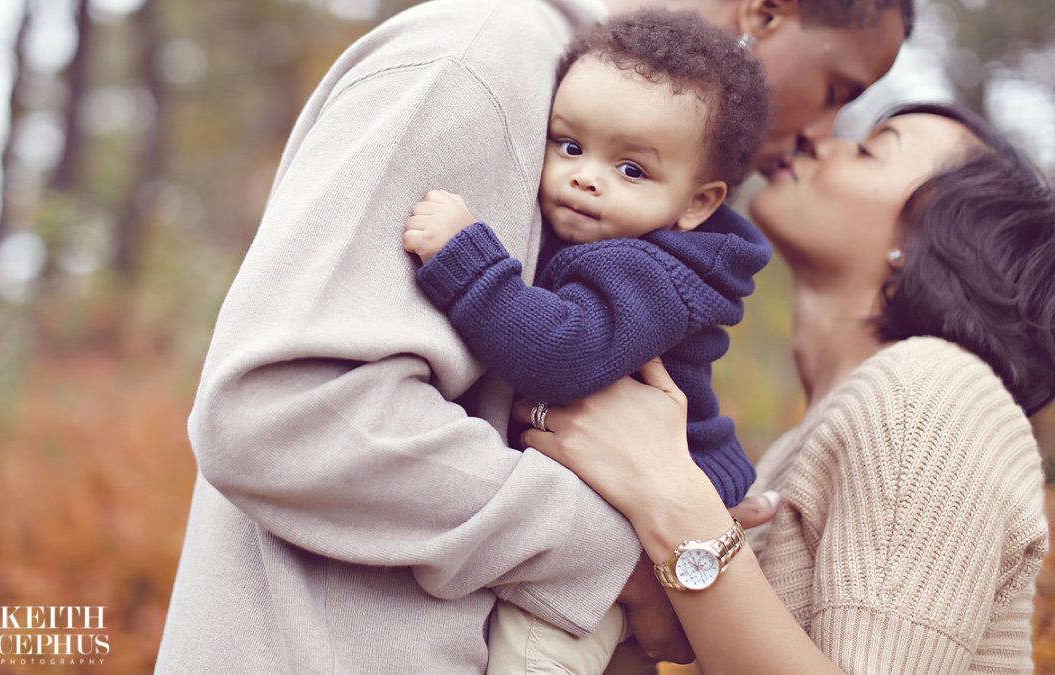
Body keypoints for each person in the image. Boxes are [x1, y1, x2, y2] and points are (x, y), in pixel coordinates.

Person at [156, 0, 915, 672]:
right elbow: (283, 414)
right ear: (767, 14)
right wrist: (625, 555)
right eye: (839, 91)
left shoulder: (619, 168)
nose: (820, 132)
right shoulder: (484, 58)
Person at [520, 101, 1054, 673]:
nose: (816, 140)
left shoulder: (929, 395)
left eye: (870, 149)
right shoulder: (814, 438)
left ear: (933, 239)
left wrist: (667, 492)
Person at [402, 10, 770, 673]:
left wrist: (467, 260)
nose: (586, 176)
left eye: (631, 168)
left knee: (530, 653)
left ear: (697, 202)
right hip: (608, 516)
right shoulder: (618, 242)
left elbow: (563, 351)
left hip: (634, 523)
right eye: (569, 146)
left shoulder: (650, 271)